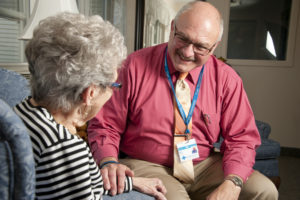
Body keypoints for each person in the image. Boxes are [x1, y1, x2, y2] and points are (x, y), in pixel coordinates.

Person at [88, 1, 279, 200]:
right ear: (172, 28)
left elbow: (242, 138)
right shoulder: (133, 67)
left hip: (202, 165)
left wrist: (233, 183)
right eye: (182, 38)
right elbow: (105, 125)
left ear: (214, 47)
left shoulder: (226, 79)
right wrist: (108, 161)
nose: (187, 52)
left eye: (200, 47)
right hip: (147, 163)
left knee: (264, 191)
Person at [14, 12, 167, 200]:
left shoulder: (23, 111)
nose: (113, 93)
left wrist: (132, 182)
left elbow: (76, 182)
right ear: (90, 93)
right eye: (113, 85)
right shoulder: (65, 148)